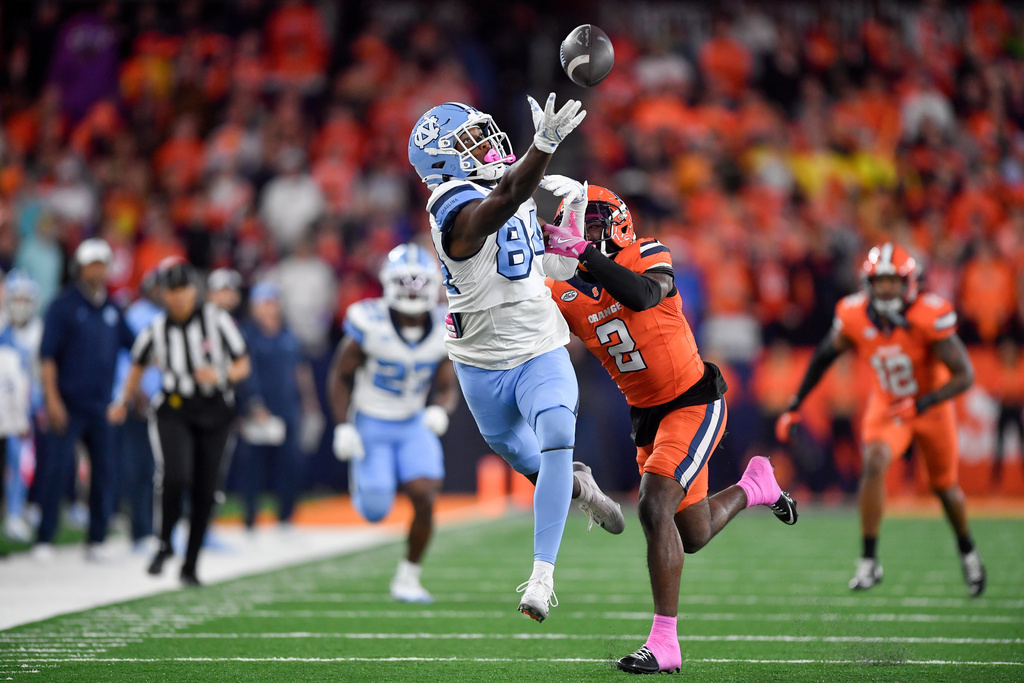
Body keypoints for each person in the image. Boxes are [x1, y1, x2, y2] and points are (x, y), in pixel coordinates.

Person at [544, 185, 798, 674]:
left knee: (653, 501)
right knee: (693, 531)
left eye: (595, 224)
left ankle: (664, 644)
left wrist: (582, 254)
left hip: (693, 399)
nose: (587, 233)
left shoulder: (648, 253)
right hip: (645, 416)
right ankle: (756, 485)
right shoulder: (563, 291)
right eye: (579, 225)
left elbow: (641, 295)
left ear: (617, 224)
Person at [408, 94, 623, 622]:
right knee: (527, 457)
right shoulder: (451, 204)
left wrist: (572, 227)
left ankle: (542, 576)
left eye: (483, 133)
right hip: (480, 365)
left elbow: (545, 261)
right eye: (469, 142)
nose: (486, 144)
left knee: (555, 437)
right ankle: (578, 486)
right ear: (442, 164)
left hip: (539, 348)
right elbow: (503, 200)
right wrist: (544, 146)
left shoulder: (512, 187)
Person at [776, 243, 985, 595]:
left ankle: (968, 551)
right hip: (888, 404)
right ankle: (869, 561)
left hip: (931, 408)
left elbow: (965, 375)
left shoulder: (928, 315)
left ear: (910, 282)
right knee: (873, 462)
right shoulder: (854, 314)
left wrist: (923, 403)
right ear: (867, 283)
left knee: (945, 489)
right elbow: (824, 355)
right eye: (880, 281)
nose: (886, 289)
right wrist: (795, 403)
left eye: (892, 281)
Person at [328, 243, 457, 603]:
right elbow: (340, 377)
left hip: (413, 421)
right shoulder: (369, 320)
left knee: (426, 494)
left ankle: (408, 577)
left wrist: (441, 409)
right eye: (407, 281)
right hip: (372, 423)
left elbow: (449, 382)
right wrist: (344, 425)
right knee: (374, 511)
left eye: (420, 282)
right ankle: (365, 482)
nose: (414, 289)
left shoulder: (444, 325)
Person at [109, 262, 250, 586]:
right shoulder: (155, 329)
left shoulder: (217, 320)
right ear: (163, 293)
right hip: (174, 407)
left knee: (204, 489)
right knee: (174, 475)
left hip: (214, 409)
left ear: (193, 290)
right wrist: (123, 401)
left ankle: (191, 563)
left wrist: (223, 374)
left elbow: (243, 363)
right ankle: (164, 541)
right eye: (171, 290)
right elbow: (137, 365)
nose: (178, 297)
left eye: (183, 289)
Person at [35, 238, 135, 562]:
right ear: (80, 267)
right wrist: (52, 399)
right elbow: (47, 357)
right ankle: (45, 538)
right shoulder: (63, 306)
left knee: (104, 472)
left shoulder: (111, 308)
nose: (98, 270)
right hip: (68, 402)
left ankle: (97, 539)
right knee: (56, 470)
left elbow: (136, 349)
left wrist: (128, 394)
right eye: (92, 264)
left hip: (102, 405)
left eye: (102, 264)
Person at [237, 280, 320, 531]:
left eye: (273, 302)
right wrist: (252, 404)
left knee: (291, 463)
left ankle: (285, 516)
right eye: (265, 302)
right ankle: (250, 517)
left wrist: (310, 401)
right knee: (253, 465)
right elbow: (242, 373)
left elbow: (301, 369)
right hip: (258, 409)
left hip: (287, 408)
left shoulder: (288, 334)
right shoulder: (246, 334)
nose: (270, 308)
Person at [112, 269, 164, 552]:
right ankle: (139, 531)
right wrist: (135, 393)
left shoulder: (168, 316)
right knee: (140, 469)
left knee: (162, 471)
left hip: (167, 404)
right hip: (141, 405)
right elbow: (127, 359)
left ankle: (158, 529)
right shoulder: (136, 315)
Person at [1, 271, 43, 543]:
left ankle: (18, 511)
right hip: (3, 407)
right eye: (16, 298)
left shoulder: (39, 330)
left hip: (27, 408)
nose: (21, 304)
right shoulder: (2, 327)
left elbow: (41, 372)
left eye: (26, 299)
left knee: (24, 461)